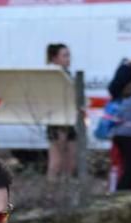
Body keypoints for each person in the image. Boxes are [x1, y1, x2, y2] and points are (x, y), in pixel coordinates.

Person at [45, 43, 77, 181]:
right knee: (56, 161)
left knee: (71, 161)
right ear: (54, 58)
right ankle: (50, 194)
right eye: (65, 55)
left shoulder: (67, 74)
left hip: (69, 120)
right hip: (57, 121)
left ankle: (67, 191)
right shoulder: (51, 76)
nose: (68, 59)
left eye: (69, 55)